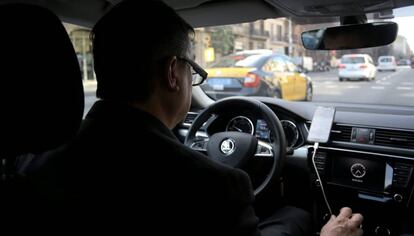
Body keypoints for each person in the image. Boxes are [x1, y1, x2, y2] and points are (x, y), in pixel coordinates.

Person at [25, 0, 363, 235]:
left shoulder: (32, 163)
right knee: (297, 215)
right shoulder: (215, 188)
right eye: (193, 69)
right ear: (174, 73)